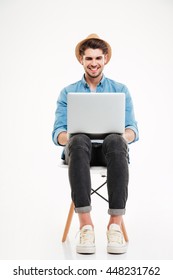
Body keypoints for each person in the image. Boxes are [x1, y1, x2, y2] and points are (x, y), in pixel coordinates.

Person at [52, 34, 139, 255]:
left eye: (98, 58)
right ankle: (86, 227)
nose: (93, 63)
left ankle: (115, 226)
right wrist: (71, 135)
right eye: (88, 58)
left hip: (112, 151)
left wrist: (122, 135)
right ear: (81, 60)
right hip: (80, 153)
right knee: (80, 139)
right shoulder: (68, 92)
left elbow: (132, 130)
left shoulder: (120, 90)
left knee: (115, 140)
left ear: (105, 58)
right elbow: (58, 133)